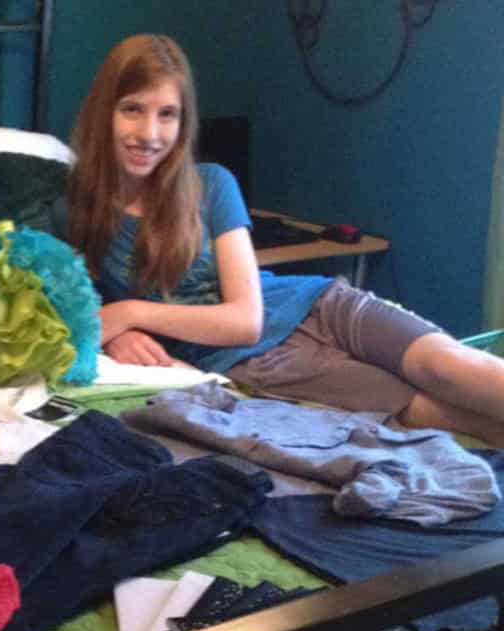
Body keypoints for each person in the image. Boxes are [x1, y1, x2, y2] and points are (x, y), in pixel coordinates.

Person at [55, 33, 504, 447]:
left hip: (318, 302)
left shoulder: (211, 184)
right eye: (132, 109)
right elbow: (77, 312)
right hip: (257, 362)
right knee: (430, 411)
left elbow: (245, 317)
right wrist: (114, 332)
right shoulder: (72, 209)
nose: (149, 134)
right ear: (104, 111)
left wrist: (129, 313)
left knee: (450, 365)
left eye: (166, 114)